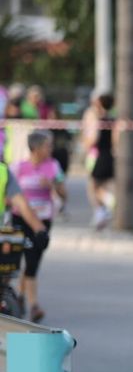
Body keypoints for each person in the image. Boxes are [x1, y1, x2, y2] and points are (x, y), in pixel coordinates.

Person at [11, 130, 65, 321]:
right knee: (24, 260)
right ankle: (30, 303)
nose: (51, 149)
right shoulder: (18, 168)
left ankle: (23, 298)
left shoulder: (53, 166)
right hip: (21, 220)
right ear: (36, 148)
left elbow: (63, 193)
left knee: (33, 260)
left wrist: (52, 185)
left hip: (43, 221)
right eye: (47, 145)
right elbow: (10, 196)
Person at [80, 93, 115, 230]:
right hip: (109, 154)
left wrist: (85, 143)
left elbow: (93, 138)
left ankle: (108, 204)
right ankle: (102, 211)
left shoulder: (97, 118)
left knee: (93, 186)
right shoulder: (112, 119)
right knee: (103, 185)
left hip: (97, 154)